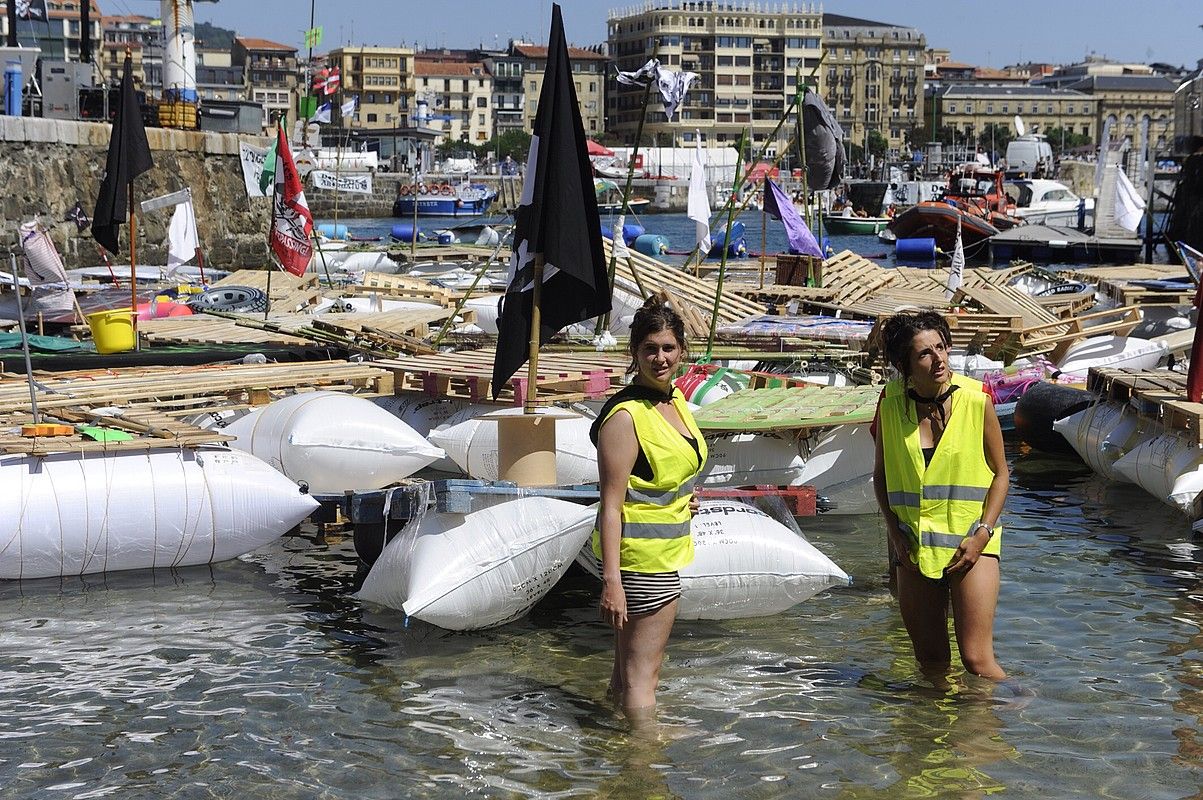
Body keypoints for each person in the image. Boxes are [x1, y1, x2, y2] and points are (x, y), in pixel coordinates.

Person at [871, 311, 1009, 680]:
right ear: (905, 366)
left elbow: (1001, 475)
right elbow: (881, 478)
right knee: (931, 664)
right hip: (914, 548)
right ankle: (931, 734)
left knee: (976, 661)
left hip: (973, 545)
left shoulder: (977, 400)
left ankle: (1015, 721)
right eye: (924, 354)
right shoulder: (889, 405)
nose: (939, 359)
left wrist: (982, 534)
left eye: (941, 347)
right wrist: (895, 535)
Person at [589, 298, 707, 721]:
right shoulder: (625, 416)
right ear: (634, 353)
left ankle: (611, 745)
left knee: (625, 677)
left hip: (662, 555)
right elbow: (611, 504)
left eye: (669, 348)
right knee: (645, 678)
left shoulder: (673, 401)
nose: (661, 358)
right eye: (650, 349)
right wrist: (612, 581)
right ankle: (644, 762)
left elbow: (658, 478)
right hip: (641, 565)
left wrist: (680, 499)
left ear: (682, 351)